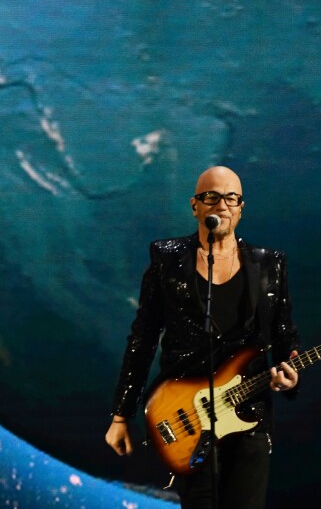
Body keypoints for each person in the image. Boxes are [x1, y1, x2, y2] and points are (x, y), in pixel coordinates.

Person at [105, 166, 300, 509]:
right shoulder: (167, 260)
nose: (221, 205)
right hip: (186, 414)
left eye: (230, 198)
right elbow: (143, 338)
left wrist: (290, 376)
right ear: (195, 206)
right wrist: (121, 414)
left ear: (241, 207)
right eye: (211, 196)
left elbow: (285, 335)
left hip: (249, 414)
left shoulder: (270, 264)